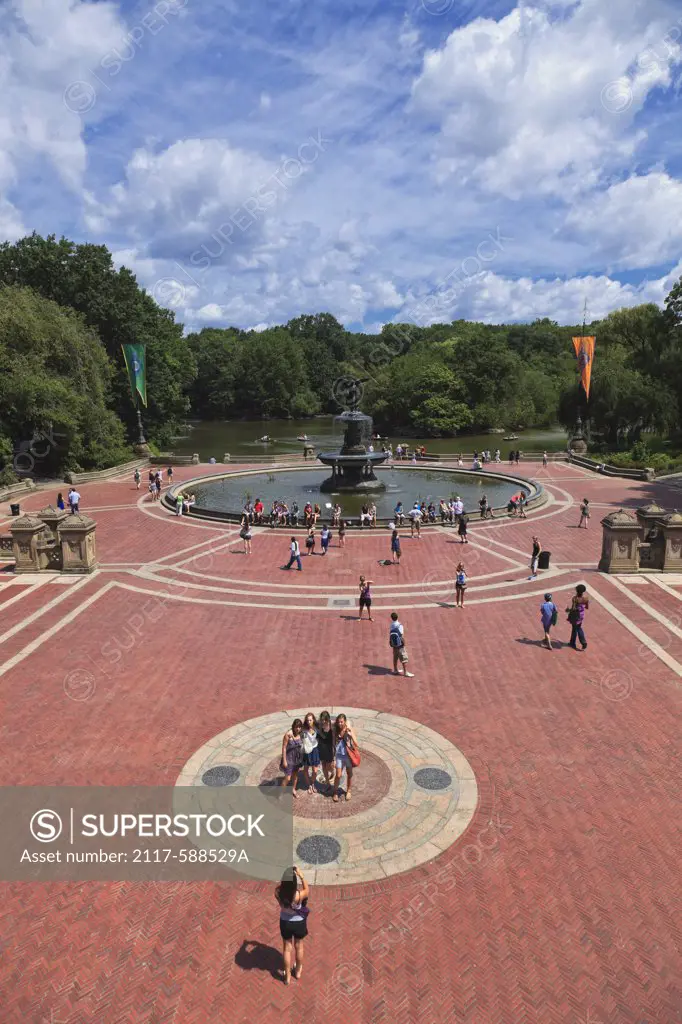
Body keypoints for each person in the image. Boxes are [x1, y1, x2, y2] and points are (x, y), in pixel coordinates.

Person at [275, 866, 310, 985]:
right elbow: (307, 889)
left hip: (285, 922)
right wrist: (301, 876)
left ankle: (287, 976)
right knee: (299, 946)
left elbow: (280, 887)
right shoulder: (298, 895)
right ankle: (298, 971)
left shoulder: (278, 893)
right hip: (299, 922)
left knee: (287, 949)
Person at [332, 713, 358, 802]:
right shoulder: (336, 730)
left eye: (342, 722)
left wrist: (350, 732)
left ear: (345, 721)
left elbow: (356, 743)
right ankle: (335, 792)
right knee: (338, 775)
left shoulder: (348, 730)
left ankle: (349, 791)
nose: (340, 724)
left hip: (348, 756)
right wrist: (333, 759)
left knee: (349, 773)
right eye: (339, 722)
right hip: (339, 756)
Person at [280, 718, 304, 798]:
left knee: (295, 776)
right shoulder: (288, 735)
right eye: (296, 727)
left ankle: (293, 789)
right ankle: (281, 793)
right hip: (289, 759)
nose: (298, 729)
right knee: (288, 778)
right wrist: (284, 760)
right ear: (293, 727)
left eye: (299, 727)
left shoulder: (301, 734)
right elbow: (284, 747)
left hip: (297, 759)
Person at [389, 611, 414, 677]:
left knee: (395, 657)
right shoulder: (400, 625)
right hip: (400, 645)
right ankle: (405, 672)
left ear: (391, 618)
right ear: (397, 617)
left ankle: (395, 669)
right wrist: (404, 644)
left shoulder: (391, 625)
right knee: (404, 658)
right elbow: (401, 636)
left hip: (394, 644)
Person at [301, 713, 321, 794]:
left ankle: (312, 783)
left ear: (313, 720)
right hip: (307, 751)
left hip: (315, 750)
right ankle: (309, 785)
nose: (309, 722)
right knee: (305, 769)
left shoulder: (316, 727)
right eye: (307, 720)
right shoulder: (304, 729)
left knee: (315, 771)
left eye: (310, 720)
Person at [567, 584, 589, 650]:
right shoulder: (586, 598)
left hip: (575, 615)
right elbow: (587, 607)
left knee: (576, 628)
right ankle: (573, 642)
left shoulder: (575, 598)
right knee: (577, 627)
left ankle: (581, 642)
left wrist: (568, 610)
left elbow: (573, 608)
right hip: (581, 615)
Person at [316, 710, 335, 792]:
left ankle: (333, 772)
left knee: (329, 767)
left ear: (328, 719)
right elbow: (306, 722)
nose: (323, 721)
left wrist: (334, 752)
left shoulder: (332, 725)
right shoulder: (318, 724)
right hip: (321, 749)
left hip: (329, 749)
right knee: (324, 766)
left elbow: (334, 739)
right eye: (322, 719)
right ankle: (328, 783)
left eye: (325, 719)